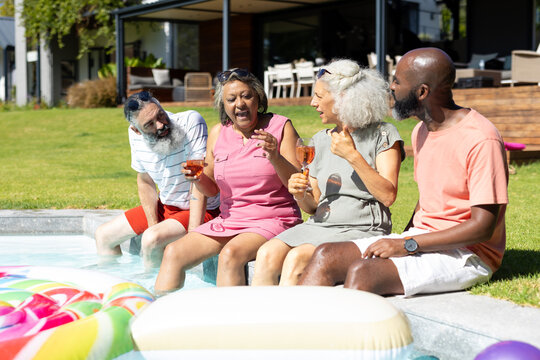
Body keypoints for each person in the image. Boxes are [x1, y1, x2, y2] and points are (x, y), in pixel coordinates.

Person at [299, 48, 509, 297]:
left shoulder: (481, 139)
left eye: (397, 81)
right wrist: (408, 236)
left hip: (467, 253)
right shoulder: (421, 131)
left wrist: (407, 245)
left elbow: (482, 228)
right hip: (422, 239)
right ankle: (302, 334)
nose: (392, 88)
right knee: (325, 255)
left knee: (363, 272)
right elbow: (429, 200)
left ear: (422, 92)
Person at [252, 59, 405, 286]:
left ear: (344, 98)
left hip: (362, 227)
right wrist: (299, 193)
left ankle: (285, 320)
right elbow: (312, 206)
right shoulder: (320, 140)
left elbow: (388, 196)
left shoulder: (382, 134)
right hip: (321, 225)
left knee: (297, 258)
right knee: (266, 253)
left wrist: (352, 155)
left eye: (319, 96)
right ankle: (260, 320)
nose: (313, 103)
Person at [154, 68, 303, 294]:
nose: (239, 104)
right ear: (224, 105)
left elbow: (296, 182)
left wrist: (275, 157)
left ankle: (229, 324)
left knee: (230, 255)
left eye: (246, 96)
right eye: (231, 99)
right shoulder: (218, 133)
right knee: (173, 252)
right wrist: (198, 178)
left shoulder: (280, 127)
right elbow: (211, 188)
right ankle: (158, 318)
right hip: (231, 220)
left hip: (273, 217)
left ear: (258, 98)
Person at [95, 91, 220, 269]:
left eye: (160, 114)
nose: (161, 125)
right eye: (150, 124)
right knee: (103, 236)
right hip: (167, 206)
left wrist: (193, 234)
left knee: (151, 239)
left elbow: (198, 180)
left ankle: (153, 292)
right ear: (136, 130)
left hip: (203, 209)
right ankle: (116, 289)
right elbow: (145, 180)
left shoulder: (191, 121)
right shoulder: (134, 136)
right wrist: (153, 224)